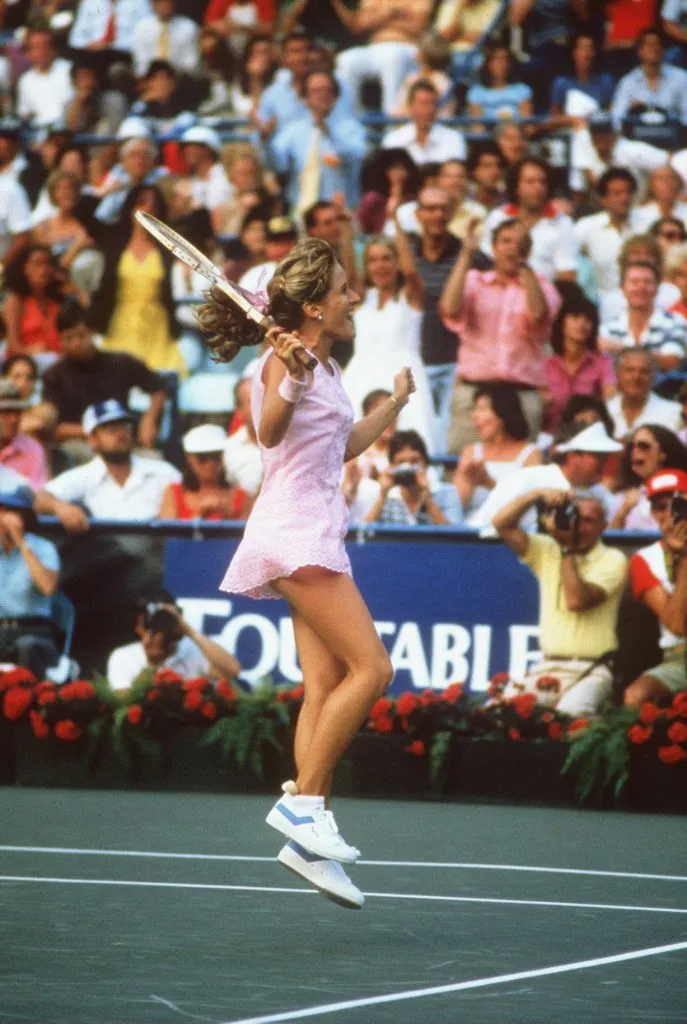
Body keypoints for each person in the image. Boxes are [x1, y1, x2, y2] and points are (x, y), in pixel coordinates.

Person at [195, 237, 416, 909]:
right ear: (317, 304)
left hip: (317, 530)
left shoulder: (326, 364)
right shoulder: (281, 362)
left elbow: (340, 445)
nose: (354, 297)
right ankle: (304, 806)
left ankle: (304, 841)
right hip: (294, 533)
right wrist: (289, 375)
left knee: (322, 684)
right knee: (372, 670)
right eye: (345, 289)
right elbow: (267, 432)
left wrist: (395, 405)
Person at [493, 487, 628, 716]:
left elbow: (576, 601)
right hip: (547, 665)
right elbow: (501, 524)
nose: (579, 527)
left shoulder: (613, 559)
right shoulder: (547, 549)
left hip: (592, 668)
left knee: (570, 714)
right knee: (498, 715)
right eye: (575, 519)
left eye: (588, 521)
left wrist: (566, 548)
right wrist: (536, 495)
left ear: (603, 527)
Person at [441, 218, 561, 451]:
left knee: (520, 470)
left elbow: (538, 314)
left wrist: (524, 267)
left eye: (519, 243)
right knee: (459, 463)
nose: (512, 247)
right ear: (494, 247)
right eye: (505, 241)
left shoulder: (543, 286)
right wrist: (466, 254)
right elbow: (449, 308)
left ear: (528, 250)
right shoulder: (475, 280)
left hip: (521, 394)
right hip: (474, 393)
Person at [342, 226, 437, 452]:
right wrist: (346, 233)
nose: (380, 266)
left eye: (387, 259)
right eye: (373, 260)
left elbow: (412, 271)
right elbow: (348, 274)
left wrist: (394, 218)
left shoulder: (410, 297)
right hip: (361, 377)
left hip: (402, 377)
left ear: (397, 262)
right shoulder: (362, 299)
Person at [42, 299, 167, 463]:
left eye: (81, 335)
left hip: (123, 439)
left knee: (156, 464)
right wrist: (101, 432)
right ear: (61, 339)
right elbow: (56, 429)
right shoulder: (54, 375)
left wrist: (149, 419)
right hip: (81, 443)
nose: (76, 343)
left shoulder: (119, 362)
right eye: (69, 338)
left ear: (92, 333)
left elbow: (158, 387)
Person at [35, 399, 180, 527]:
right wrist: (58, 507)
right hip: (105, 554)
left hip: (155, 553)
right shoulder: (85, 475)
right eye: (111, 429)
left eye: (125, 427)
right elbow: (37, 498)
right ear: (92, 440)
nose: (121, 434)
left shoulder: (162, 472)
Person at [91, 184, 187, 375]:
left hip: (157, 326)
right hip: (120, 322)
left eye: (153, 205)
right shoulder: (115, 247)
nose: (147, 208)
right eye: (141, 203)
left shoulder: (168, 251)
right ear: (131, 208)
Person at [473, 420, 623, 533]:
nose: (605, 464)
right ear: (573, 456)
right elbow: (484, 528)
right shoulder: (523, 480)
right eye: (598, 456)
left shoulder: (603, 496)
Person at [625, 467, 687, 705]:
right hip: (679, 656)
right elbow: (676, 624)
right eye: (660, 507)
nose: (669, 514)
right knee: (636, 695)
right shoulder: (645, 559)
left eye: (677, 504)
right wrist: (683, 557)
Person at [270, 69, 367, 214]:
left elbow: (357, 156)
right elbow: (277, 164)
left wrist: (329, 132)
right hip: (301, 210)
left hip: (339, 212)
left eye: (326, 90)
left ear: (335, 96)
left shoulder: (351, 128)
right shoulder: (292, 131)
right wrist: (265, 140)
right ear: (305, 98)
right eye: (316, 91)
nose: (322, 95)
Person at [453, 384, 542, 524]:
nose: (474, 415)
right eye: (474, 409)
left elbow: (528, 504)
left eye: (482, 409)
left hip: (514, 531)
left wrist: (489, 483)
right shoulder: (471, 452)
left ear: (502, 414)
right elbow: (455, 508)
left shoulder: (530, 454)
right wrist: (468, 481)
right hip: (473, 529)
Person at [480, 158, 579, 282]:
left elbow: (567, 274)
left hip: (544, 295)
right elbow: (486, 262)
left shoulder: (563, 223)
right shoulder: (498, 217)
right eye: (530, 182)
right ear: (516, 187)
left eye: (542, 182)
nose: (538, 188)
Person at [107, 599, 241, 690]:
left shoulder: (190, 650)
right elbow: (124, 702)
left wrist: (190, 631)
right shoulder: (123, 656)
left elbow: (233, 670)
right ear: (138, 627)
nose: (158, 627)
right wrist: (151, 663)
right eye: (149, 623)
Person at [0, 485, 60, 678]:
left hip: (33, 631)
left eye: (9, 511)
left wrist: (20, 541)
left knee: (27, 647)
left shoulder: (43, 548)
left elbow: (47, 587)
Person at [333, 0, 432, 115]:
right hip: (374, 46)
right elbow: (361, 24)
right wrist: (394, 14)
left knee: (392, 57)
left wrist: (380, 18)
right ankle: (352, 118)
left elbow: (419, 27)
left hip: (408, 46)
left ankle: (392, 120)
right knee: (345, 60)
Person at [543, 292, 616, 433]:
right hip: (550, 435)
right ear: (562, 323)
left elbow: (611, 400)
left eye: (588, 319)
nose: (582, 324)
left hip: (589, 433)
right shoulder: (545, 364)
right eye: (575, 317)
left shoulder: (603, 362)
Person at [599, 261, 687, 375]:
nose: (641, 287)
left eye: (647, 282)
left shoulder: (675, 322)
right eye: (634, 282)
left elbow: (671, 362)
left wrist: (621, 349)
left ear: (656, 289)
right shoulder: (609, 327)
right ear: (622, 288)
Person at [573, 168, 647, 302]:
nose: (624, 198)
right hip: (599, 301)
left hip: (640, 299)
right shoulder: (587, 226)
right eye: (617, 193)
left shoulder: (646, 226)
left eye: (628, 192)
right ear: (603, 199)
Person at [364, 427, 462, 525]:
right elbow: (363, 534)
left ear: (425, 463)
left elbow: (453, 536)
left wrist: (427, 497)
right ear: (391, 466)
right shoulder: (384, 496)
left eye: (414, 461)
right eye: (401, 462)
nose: (408, 468)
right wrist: (382, 495)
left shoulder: (447, 493)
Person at [33, 170, 104, 300]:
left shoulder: (87, 226)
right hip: (52, 291)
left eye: (71, 188)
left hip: (81, 292)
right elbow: (42, 265)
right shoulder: (43, 227)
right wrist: (76, 247)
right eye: (61, 189)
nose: (67, 193)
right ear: (53, 194)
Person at [159, 424, 251, 520]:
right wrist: (199, 515)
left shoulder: (242, 496)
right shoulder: (174, 493)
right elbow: (168, 532)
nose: (210, 464)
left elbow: (250, 532)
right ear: (189, 459)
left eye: (216, 457)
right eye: (203, 458)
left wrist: (227, 517)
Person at [610, 423, 687, 532]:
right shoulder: (622, 499)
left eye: (643, 446)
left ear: (662, 453)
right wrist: (623, 512)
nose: (635, 451)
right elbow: (609, 543)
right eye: (632, 446)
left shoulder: (684, 490)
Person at [611, 26, 687, 130]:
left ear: (663, 50)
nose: (654, 48)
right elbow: (616, 118)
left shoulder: (681, 78)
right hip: (639, 139)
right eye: (649, 45)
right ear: (640, 51)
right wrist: (632, 110)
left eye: (658, 44)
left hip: (674, 139)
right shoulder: (628, 82)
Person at [2, 244, 66, 365]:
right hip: (27, 362)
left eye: (47, 264)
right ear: (24, 268)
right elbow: (13, 344)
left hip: (59, 359)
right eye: (37, 264)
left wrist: (71, 286)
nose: (44, 269)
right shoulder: (16, 300)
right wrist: (30, 353)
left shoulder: (56, 300)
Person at [382, 80, 466, 167]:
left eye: (433, 103)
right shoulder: (393, 140)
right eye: (424, 103)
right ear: (410, 106)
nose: (430, 109)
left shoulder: (454, 139)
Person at [606, 349, 681, 441]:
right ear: (617, 375)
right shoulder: (605, 411)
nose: (636, 376)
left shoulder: (673, 413)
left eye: (644, 371)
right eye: (629, 370)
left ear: (653, 377)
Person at [466, 40, 533, 127]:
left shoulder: (522, 90)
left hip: (515, 133)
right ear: (488, 63)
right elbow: (477, 125)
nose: (501, 64)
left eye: (504, 60)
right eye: (496, 60)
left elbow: (526, 123)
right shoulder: (476, 91)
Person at [16, 28, 73, 128]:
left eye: (46, 45)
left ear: (54, 49)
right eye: (36, 47)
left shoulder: (69, 70)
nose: (42, 51)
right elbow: (25, 114)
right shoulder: (25, 80)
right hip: (38, 132)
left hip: (67, 129)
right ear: (28, 53)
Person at [131, 0, 200, 77]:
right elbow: (141, 62)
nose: (165, 5)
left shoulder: (189, 28)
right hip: (149, 79)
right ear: (152, 4)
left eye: (168, 1)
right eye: (160, 2)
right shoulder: (141, 28)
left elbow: (191, 62)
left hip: (181, 79)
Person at [0, 381, 48, 490]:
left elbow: (37, 495)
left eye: (17, 412)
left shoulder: (32, 449)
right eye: (6, 412)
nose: (13, 419)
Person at [223, 376, 263, 497]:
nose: (262, 405)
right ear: (239, 410)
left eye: (264, 398)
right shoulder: (230, 450)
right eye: (254, 401)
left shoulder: (294, 442)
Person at [636, 164, 687, 233]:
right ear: (652, 185)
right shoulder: (639, 215)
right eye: (662, 179)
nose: (669, 183)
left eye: (672, 178)